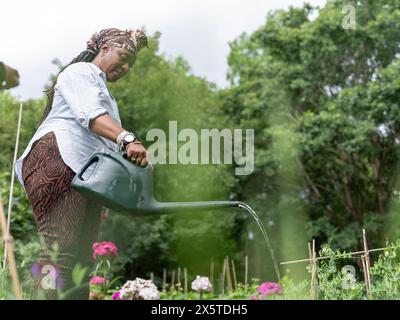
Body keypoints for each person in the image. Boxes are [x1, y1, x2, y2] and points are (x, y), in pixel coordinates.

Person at [14, 28, 150, 299]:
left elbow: (106, 146)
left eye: (129, 64)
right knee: (59, 253)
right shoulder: (79, 73)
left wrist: (104, 194)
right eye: (122, 57)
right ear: (104, 49)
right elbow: (91, 115)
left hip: (84, 176)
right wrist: (128, 138)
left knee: (82, 264)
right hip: (57, 158)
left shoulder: (107, 96)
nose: (124, 67)